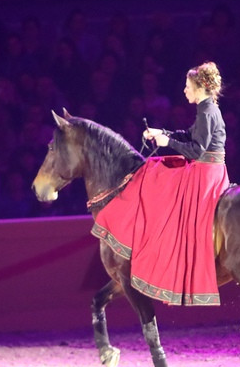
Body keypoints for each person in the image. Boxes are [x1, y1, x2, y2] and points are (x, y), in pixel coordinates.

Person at [92, 62, 230, 306]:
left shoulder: (207, 111)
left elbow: (197, 150)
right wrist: (161, 132)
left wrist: (167, 142)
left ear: (199, 88)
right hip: (202, 168)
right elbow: (189, 136)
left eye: (188, 87)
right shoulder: (205, 108)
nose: (185, 91)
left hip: (206, 173)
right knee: (156, 168)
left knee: (156, 175)